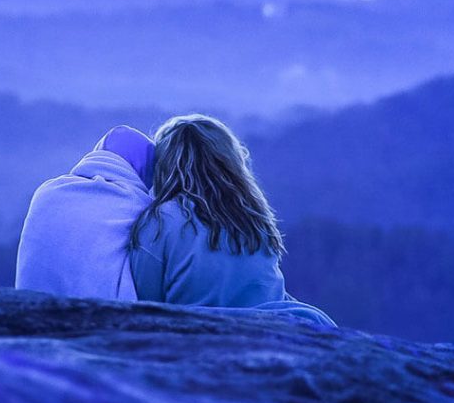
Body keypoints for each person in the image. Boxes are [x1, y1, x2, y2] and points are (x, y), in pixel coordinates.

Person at [128, 114, 335, 327]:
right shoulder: (251, 214)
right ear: (231, 160)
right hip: (279, 322)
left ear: (162, 167)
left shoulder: (159, 222)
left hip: (198, 330)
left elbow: (145, 298)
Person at [15, 125, 154, 300]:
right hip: (104, 317)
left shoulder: (48, 192)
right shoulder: (138, 204)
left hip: (30, 309)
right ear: (144, 168)